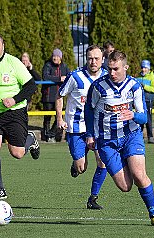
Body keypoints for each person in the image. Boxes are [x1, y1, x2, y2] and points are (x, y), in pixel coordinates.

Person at [85, 50, 154, 226]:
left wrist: (133, 115)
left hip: (131, 136)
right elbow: (89, 110)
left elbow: (144, 117)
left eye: (116, 69)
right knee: (125, 187)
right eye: (109, 69)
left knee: (139, 174)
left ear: (126, 67)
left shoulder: (135, 86)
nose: (112, 73)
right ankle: (123, 160)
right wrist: (90, 134)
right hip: (106, 142)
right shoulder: (98, 87)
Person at [0, 32, 40, 199]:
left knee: (17, 153)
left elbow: (31, 86)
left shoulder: (13, 63)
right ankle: (0, 188)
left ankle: (31, 139)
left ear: (3, 46)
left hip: (15, 113)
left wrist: (14, 99)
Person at [56, 45, 108, 210]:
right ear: (86, 59)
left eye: (97, 58)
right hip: (76, 129)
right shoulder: (75, 76)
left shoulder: (107, 77)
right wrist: (59, 118)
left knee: (103, 162)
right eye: (90, 58)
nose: (93, 62)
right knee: (81, 168)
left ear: (103, 60)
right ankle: (76, 164)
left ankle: (93, 198)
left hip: (98, 128)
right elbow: (60, 95)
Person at [41, 48, 70, 142]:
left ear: (61, 58)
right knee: (47, 117)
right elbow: (45, 77)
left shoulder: (64, 66)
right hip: (48, 96)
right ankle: (46, 136)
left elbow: (69, 77)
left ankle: (51, 134)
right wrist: (59, 79)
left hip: (59, 97)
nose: (55, 58)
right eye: (54, 56)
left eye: (57, 56)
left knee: (59, 115)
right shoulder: (48, 65)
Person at [137, 60, 154, 144]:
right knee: (140, 118)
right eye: (142, 67)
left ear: (148, 68)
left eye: (145, 67)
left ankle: (150, 137)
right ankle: (139, 136)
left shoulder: (153, 77)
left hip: (148, 100)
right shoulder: (138, 77)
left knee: (148, 119)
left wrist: (144, 86)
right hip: (139, 101)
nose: (143, 69)